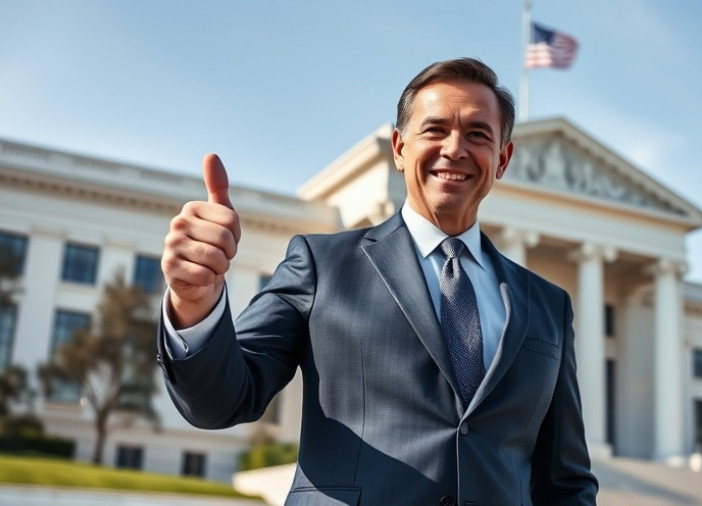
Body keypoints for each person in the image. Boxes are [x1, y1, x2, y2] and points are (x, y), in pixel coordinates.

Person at [157, 57, 599, 505]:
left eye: (478, 135)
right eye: (435, 130)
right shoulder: (321, 264)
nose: (455, 148)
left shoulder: (548, 304)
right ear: (398, 147)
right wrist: (194, 303)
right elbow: (223, 400)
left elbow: (565, 481)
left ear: (502, 159)